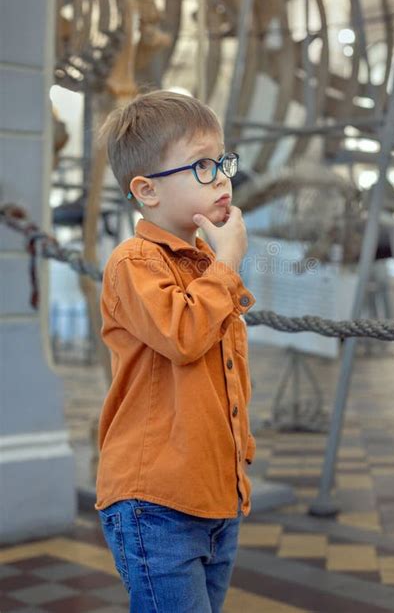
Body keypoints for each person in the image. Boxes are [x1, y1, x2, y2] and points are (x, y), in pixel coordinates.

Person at [95, 89, 256, 612]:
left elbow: (227, 373)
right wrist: (227, 265)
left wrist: (239, 459)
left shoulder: (202, 262)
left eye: (223, 161)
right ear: (147, 191)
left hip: (213, 497)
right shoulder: (133, 262)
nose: (223, 177)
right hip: (155, 504)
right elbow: (183, 336)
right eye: (203, 167)